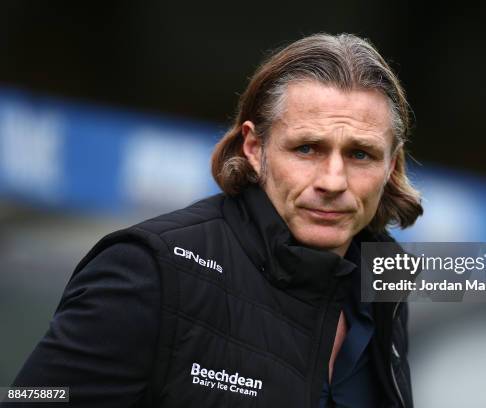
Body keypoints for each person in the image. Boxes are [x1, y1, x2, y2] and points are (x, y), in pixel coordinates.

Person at [6, 33, 423, 407]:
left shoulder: (386, 280)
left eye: (360, 154)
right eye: (307, 148)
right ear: (255, 149)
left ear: (392, 165)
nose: (333, 180)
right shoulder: (149, 268)